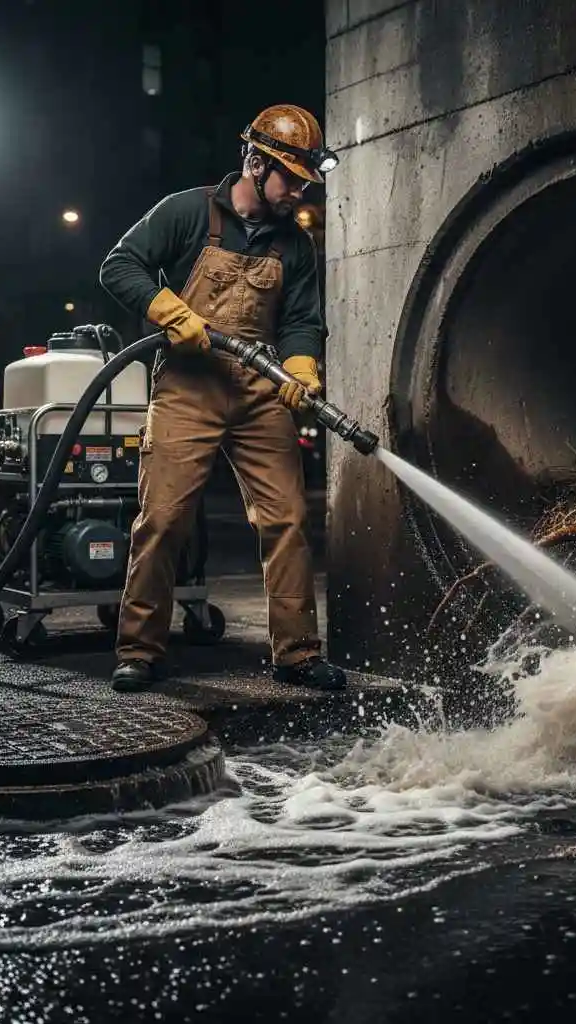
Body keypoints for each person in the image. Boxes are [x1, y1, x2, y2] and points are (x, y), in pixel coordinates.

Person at [98, 104, 346, 694]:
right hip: (190, 385)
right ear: (254, 164)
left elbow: (303, 320)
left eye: (305, 182)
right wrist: (167, 309)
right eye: (290, 178)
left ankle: (297, 652)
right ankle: (139, 649)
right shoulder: (188, 211)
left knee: (287, 519)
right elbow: (119, 266)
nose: (297, 194)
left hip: (260, 392)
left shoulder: (297, 245)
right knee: (162, 519)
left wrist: (302, 365)